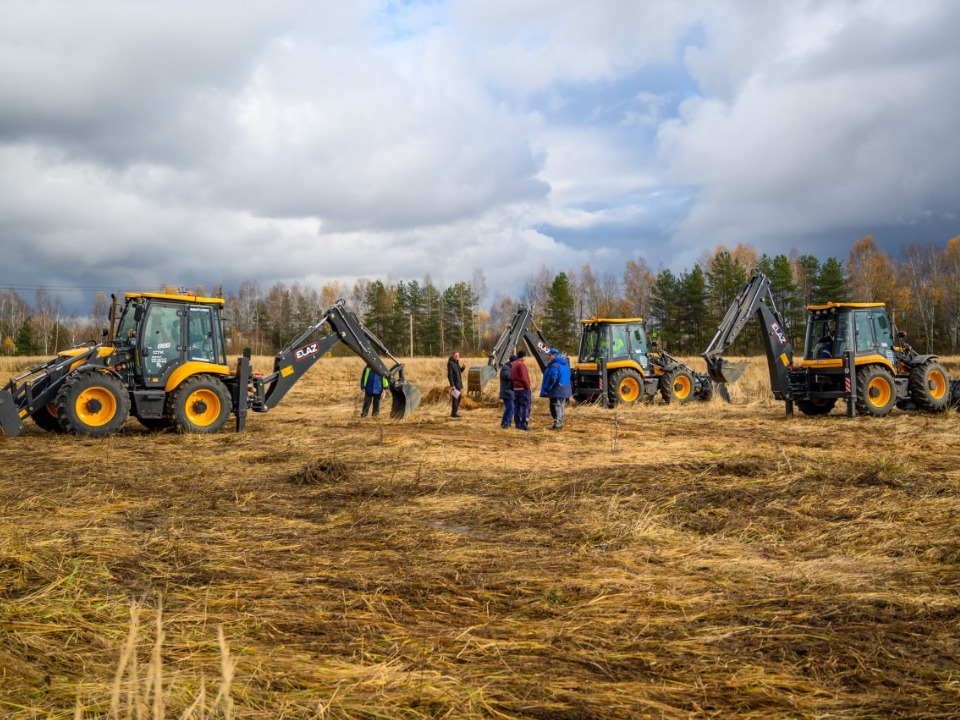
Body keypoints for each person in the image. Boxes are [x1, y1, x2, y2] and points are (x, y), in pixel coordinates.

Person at [540, 348, 573, 429]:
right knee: (561, 406)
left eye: (550, 355)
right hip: (565, 388)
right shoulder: (565, 364)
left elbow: (552, 378)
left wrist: (547, 388)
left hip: (557, 389)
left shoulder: (555, 365)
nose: (549, 357)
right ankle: (560, 422)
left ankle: (557, 424)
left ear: (554, 355)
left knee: (555, 406)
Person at [510, 350, 531, 431]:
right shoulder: (521, 364)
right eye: (525, 356)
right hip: (523, 389)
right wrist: (528, 387)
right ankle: (524, 425)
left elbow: (512, 377)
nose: (526, 358)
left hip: (516, 389)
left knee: (517, 407)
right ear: (523, 357)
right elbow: (524, 377)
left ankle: (517, 424)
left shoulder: (514, 364)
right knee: (525, 407)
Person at [499, 354, 517, 428]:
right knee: (510, 407)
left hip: (510, 392)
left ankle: (508, 423)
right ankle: (505, 423)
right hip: (506, 392)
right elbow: (508, 376)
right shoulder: (505, 368)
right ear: (512, 362)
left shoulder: (510, 367)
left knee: (511, 408)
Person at [447, 351, 465, 418]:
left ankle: (454, 412)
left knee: (458, 398)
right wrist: (452, 385)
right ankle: (454, 413)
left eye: (458, 355)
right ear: (452, 355)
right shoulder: (450, 363)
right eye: (456, 355)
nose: (457, 356)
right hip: (455, 385)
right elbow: (450, 375)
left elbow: (459, 371)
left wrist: (463, 368)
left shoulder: (456, 362)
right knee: (456, 398)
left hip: (458, 384)